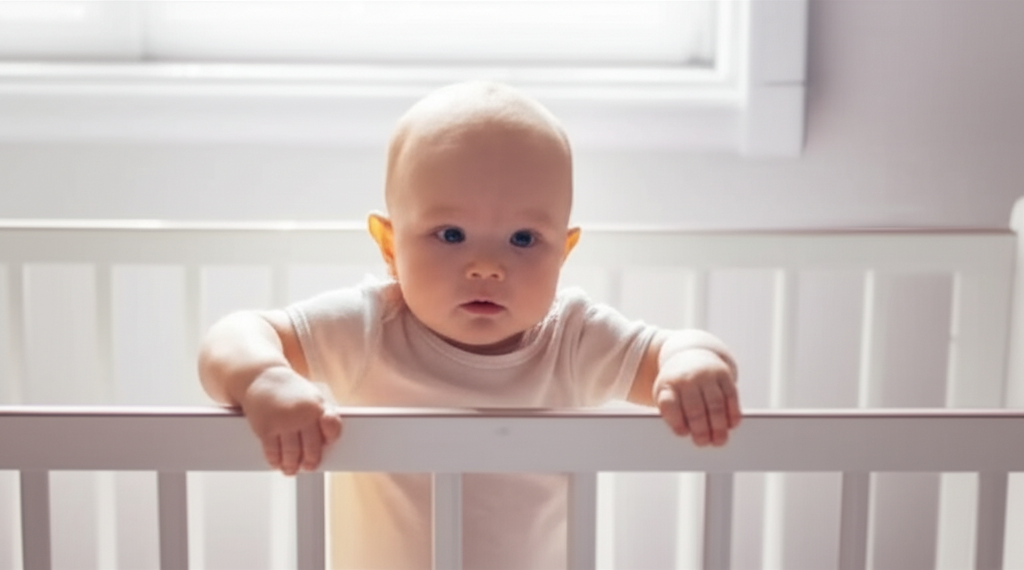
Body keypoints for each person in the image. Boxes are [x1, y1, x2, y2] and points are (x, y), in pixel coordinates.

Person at [198, 80, 741, 570]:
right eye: (451, 234)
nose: (487, 266)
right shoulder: (370, 328)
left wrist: (693, 362)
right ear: (390, 246)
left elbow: (674, 347)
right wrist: (265, 378)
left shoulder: (571, 339)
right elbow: (233, 337)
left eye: (524, 239)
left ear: (563, 252)